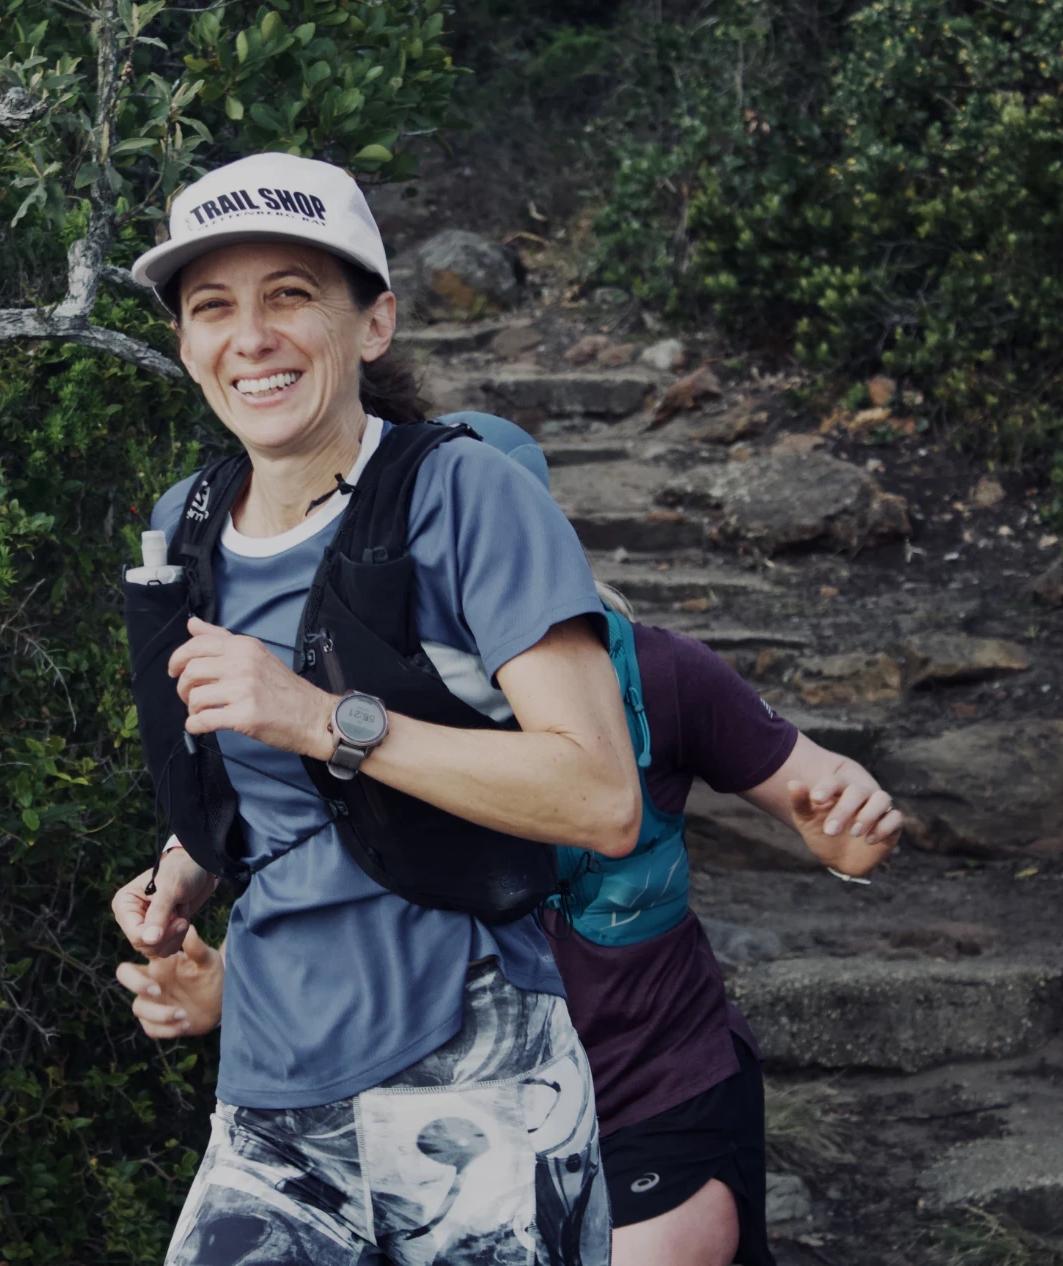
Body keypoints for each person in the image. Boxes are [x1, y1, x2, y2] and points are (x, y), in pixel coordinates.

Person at [116, 414, 904, 1266]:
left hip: (646, 1091)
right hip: (454, 1103)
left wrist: (845, 831)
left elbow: (825, 811)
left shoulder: (659, 674)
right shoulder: (362, 703)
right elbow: (340, 868)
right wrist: (221, 964)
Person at [112, 153, 644, 1265]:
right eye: (212, 308)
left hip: (475, 1070)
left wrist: (322, 719)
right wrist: (183, 875)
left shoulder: (464, 496)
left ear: (375, 323)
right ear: (186, 346)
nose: (249, 336)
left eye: (290, 296)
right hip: (271, 1087)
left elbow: (598, 797)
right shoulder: (189, 521)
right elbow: (270, 793)